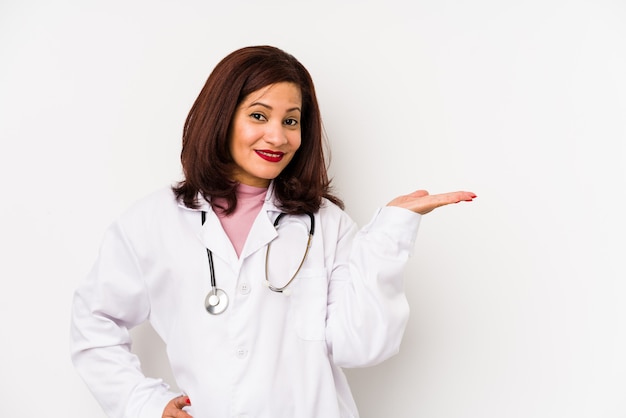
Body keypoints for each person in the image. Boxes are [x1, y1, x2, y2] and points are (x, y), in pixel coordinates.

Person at [70, 45, 476, 418]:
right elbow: (94, 323)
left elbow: (362, 345)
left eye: (292, 121)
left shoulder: (325, 224)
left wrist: (388, 236)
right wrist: (146, 403)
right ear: (222, 117)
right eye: (259, 115)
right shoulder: (153, 222)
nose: (278, 136)